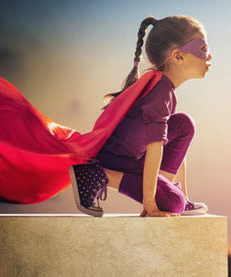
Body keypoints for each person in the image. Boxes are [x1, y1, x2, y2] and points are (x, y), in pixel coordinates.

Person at [69, 15, 212, 217]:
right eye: (203, 49)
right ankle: (100, 176)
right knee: (173, 203)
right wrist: (151, 203)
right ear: (178, 56)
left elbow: (170, 146)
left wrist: (173, 192)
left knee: (184, 124)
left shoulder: (163, 86)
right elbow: (155, 148)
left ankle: (173, 194)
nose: (209, 56)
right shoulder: (160, 91)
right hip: (115, 160)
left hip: (130, 155)